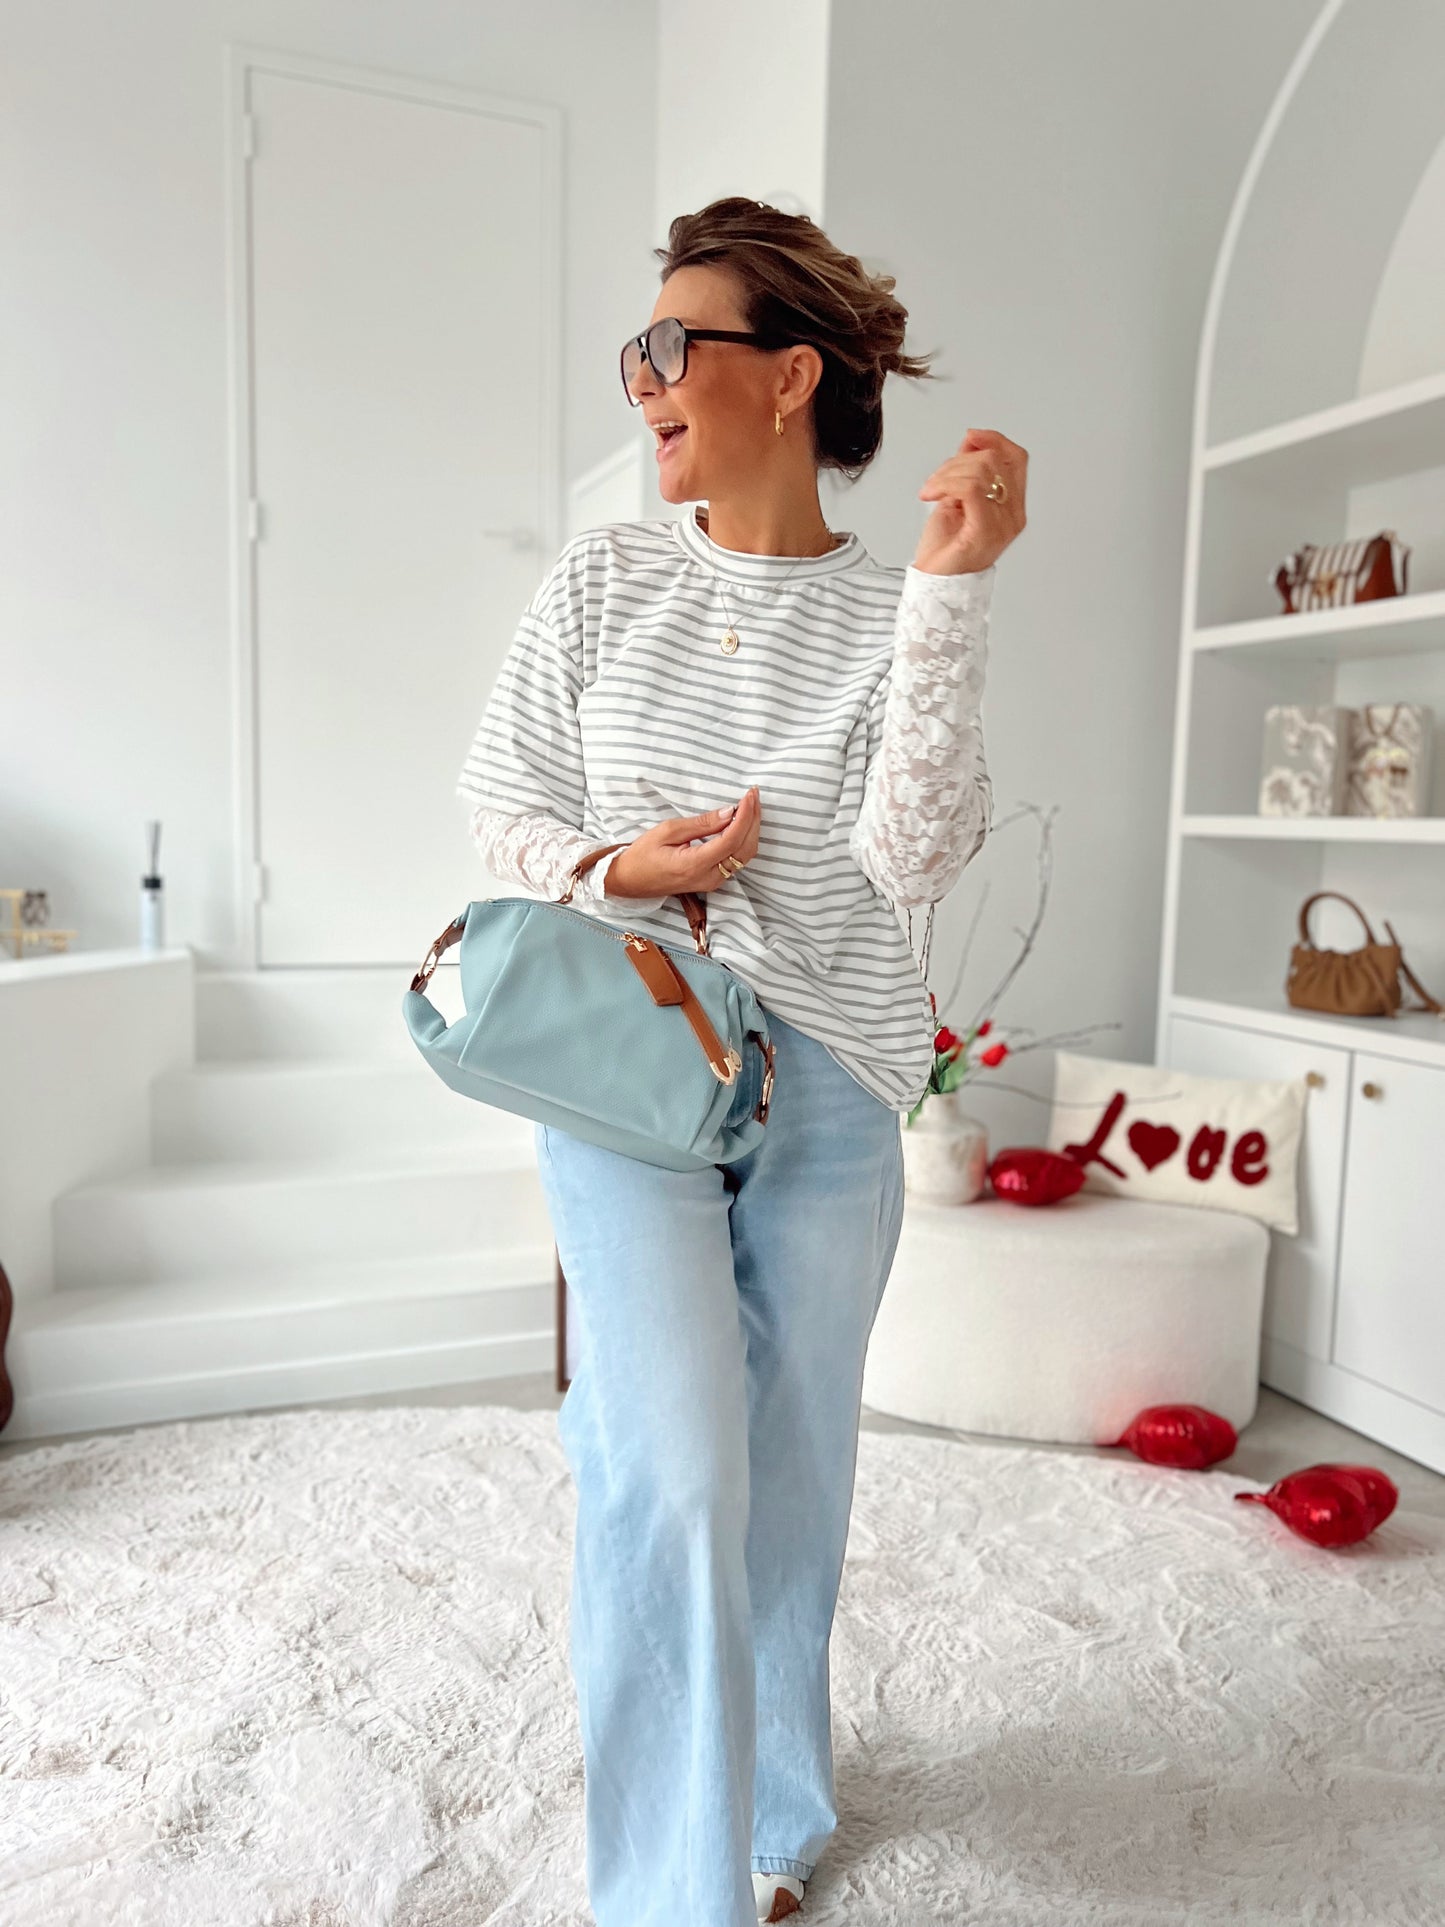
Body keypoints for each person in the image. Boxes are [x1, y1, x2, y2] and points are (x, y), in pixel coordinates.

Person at [455, 196, 1027, 1927]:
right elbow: (499, 804)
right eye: (632, 352)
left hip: (834, 1079)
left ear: (787, 378)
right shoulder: (604, 578)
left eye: (667, 347)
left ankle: (774, 1814)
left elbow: (915, 857)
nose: (638, 382)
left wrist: (949, 595)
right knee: (670, 1466)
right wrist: (622, 868)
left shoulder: (896, 608)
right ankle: (666, 1895)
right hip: (633, 1057)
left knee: (788, 1469)